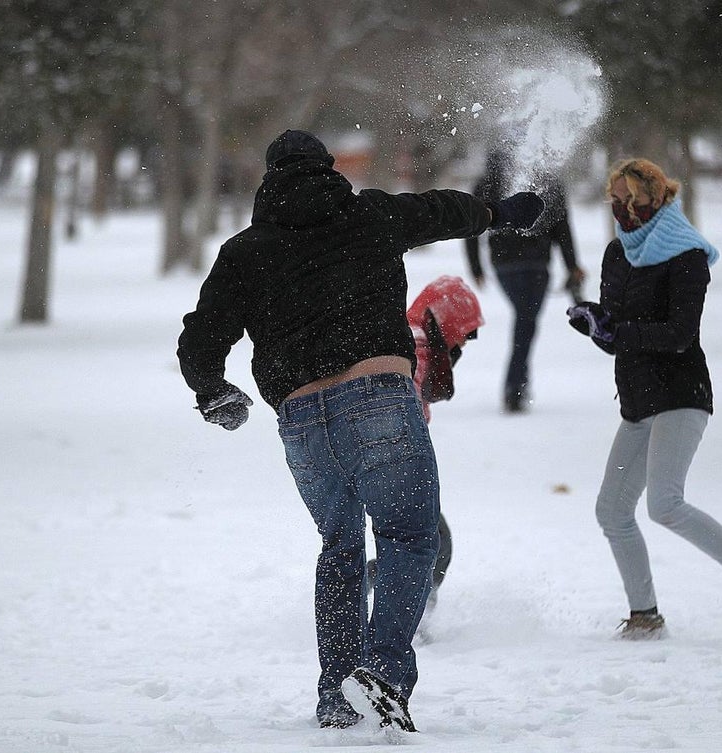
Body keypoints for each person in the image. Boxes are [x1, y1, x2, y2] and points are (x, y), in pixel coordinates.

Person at [177, 130, 545, 733]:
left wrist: (214, 393)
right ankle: (384, 673)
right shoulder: (367, 214)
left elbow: (201, 337)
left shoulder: (245, 252)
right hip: (377, 397)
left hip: (301, 422)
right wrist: (498, 213)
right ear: (326, 169)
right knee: (408, 537)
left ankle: (336, 696)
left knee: (341, 549)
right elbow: (439, 210)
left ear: (269, 181)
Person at [567, 158, 722, 639]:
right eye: (614, 201)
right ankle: (645, 617)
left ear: (651, 200)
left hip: (680, 393)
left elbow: (678, 334)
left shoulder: (685, 256)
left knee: (665, 503)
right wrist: (595, 324)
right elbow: (617, 334)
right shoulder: (617, 254)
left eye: (628, 201)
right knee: (612, 511)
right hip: (637, 401)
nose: (620, 210)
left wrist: (617, 330)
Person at [366, 275, 485, 619]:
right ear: (447, 319)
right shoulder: (416, 343)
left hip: (383, 460)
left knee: (418, 544)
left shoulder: (416, 337)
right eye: (465, 329)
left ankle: (405, 615)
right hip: (390, 461)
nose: (465, 340)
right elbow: (399, 404)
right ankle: (407, 619)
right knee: (431, 545)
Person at [465, 151, 585, 413]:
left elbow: (471, 224)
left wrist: (476, 266)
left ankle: (518, 384)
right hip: (534, 263)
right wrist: (571, 265)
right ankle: (514, 387)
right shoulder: (546, 178)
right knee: (526, 320)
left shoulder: (488, 179)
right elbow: (562, 228)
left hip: (507, 264)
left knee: (525, 319)